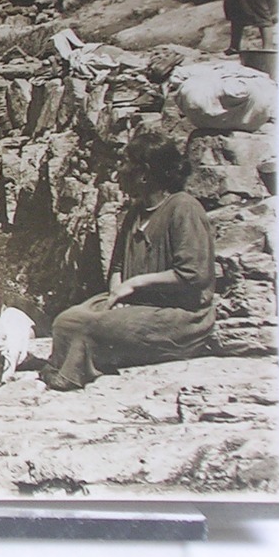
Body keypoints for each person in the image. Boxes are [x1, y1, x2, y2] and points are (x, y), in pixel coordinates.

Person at [41, 132, 217, 391]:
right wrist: (117, 296)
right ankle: (78, 360)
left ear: (144, 173)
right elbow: (118, 268)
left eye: (125, 164)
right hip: (136, 304)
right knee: (67, 320)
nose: (118, 172)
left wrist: (136, 284)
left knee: (91, 326)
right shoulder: (135, 212)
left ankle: (74, 373)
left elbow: (194, 274)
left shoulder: (184, 208)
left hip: (181, 316)